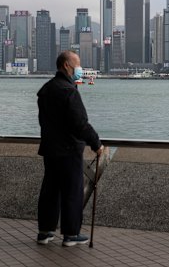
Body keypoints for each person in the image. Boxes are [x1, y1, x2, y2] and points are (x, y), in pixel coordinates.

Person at [36, 50, 104, 247]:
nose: (80, 69)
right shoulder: (69, 91)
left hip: (50, 149)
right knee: (72, 192)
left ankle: (45, 232)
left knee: (50, 191)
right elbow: (80, 124)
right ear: (66, 65)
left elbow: (44, 122)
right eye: (78, 64)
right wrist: (96, 143)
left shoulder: (46, 90)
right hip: (69, 150)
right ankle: (71, 234)